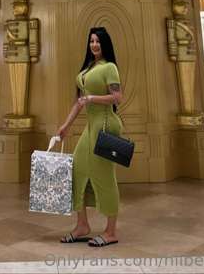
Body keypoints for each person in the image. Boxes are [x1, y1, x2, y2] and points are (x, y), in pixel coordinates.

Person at [57, 27, 122, 248]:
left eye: (98, 41)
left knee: (104, 176)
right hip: (90, 125)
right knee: (77, 170)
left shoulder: (109, 67)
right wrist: (66, 125)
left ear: (105, 44)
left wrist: (93, 98)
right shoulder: (88, 68)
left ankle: (111, 231)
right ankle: (82, 225)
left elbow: (117, 97)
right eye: (91, 41)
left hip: (106, 125)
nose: (94, 45)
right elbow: (79, 102)